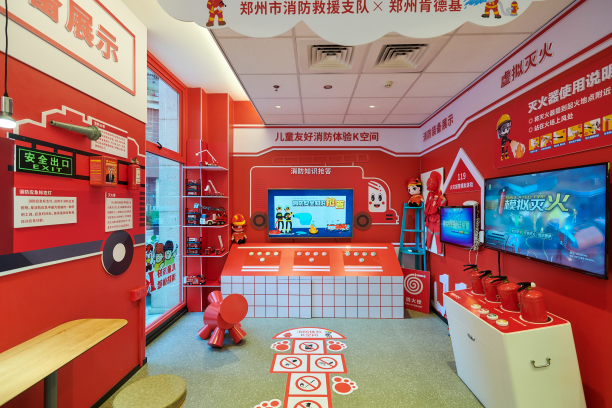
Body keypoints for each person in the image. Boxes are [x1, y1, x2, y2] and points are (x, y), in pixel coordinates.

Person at [425, 171, 447, 254]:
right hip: (430, 218)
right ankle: (427, 247)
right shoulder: (429, 194)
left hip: (437, 218)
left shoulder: (439, 193)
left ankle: (439, 251)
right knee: (429, 234)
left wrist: (437, 207)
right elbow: (427, 204)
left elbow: (443, 201)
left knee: (438, 236)